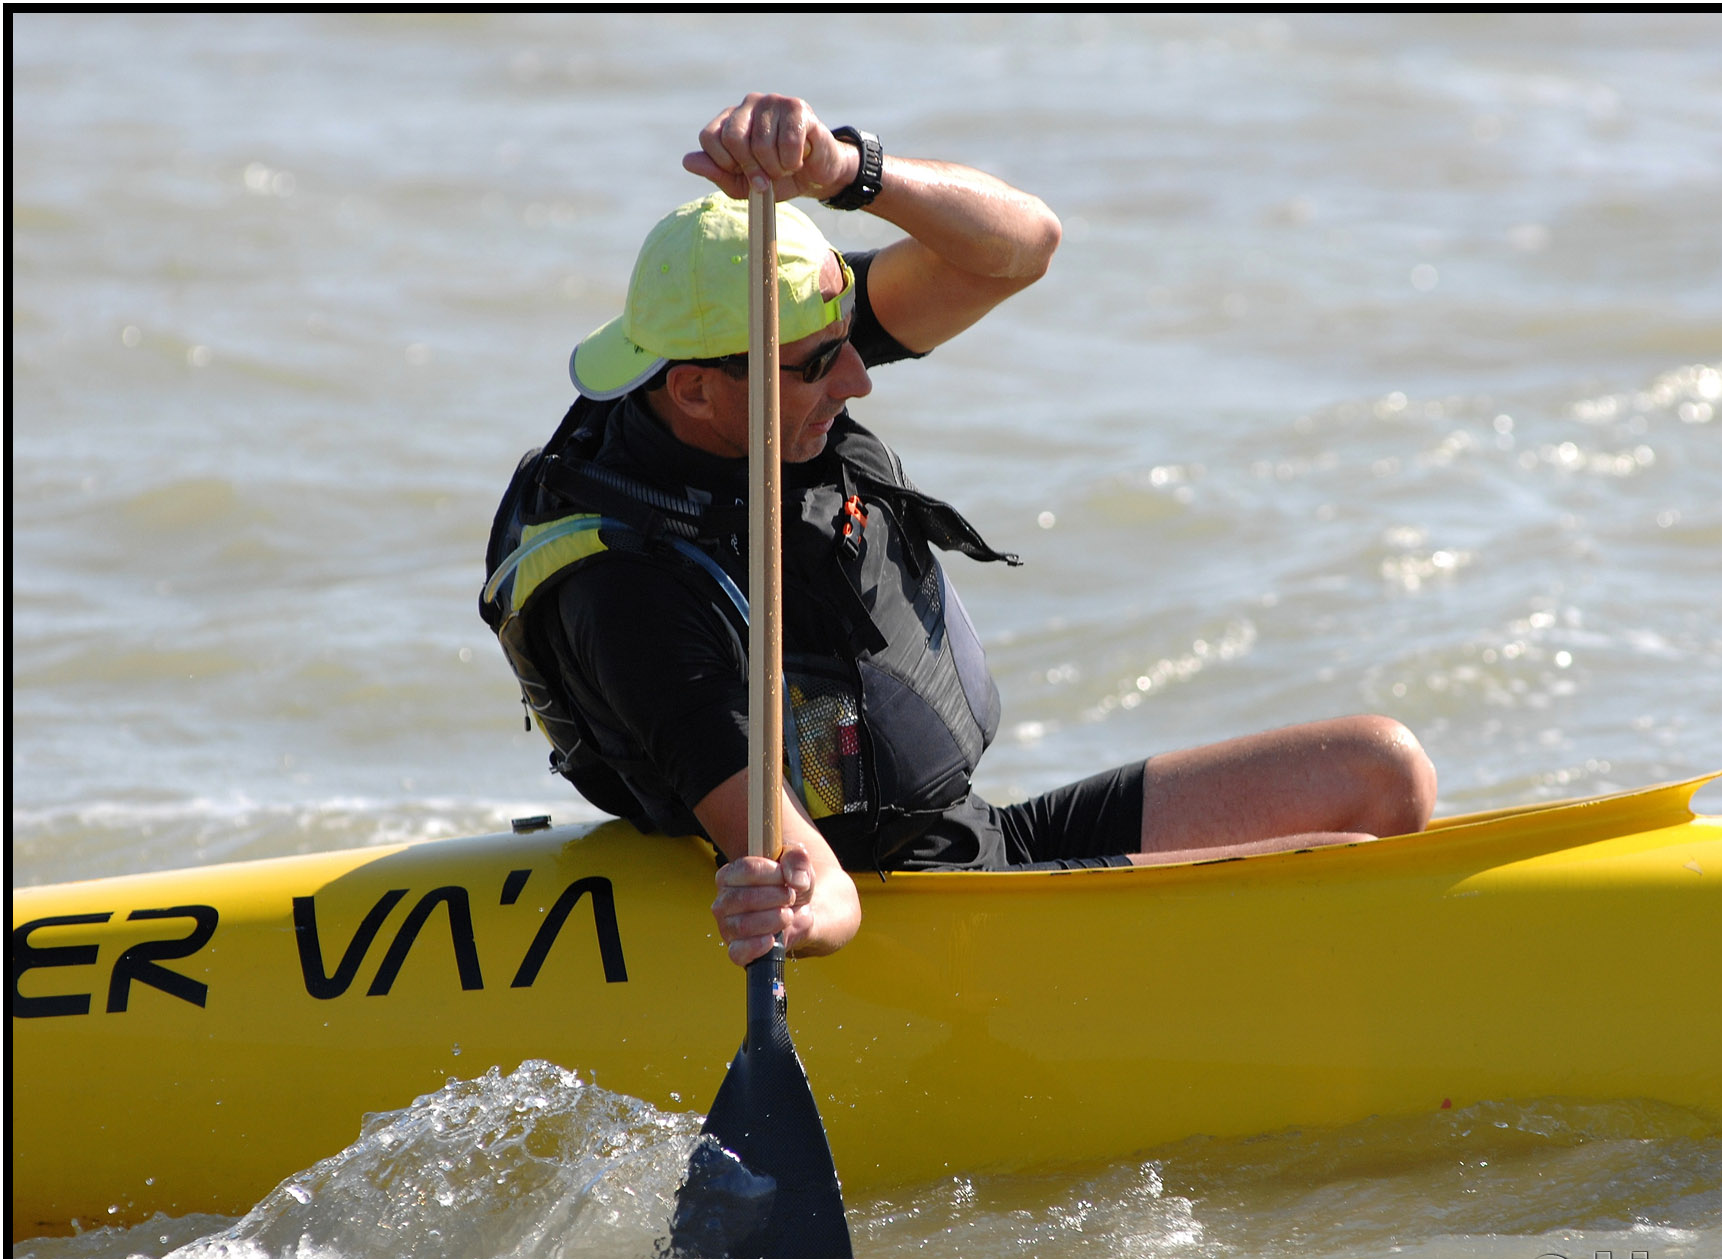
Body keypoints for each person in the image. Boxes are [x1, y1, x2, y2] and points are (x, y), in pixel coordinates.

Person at [482, 93, 1436, 970]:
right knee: (1347, 867)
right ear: (692, 388)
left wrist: (842, 170)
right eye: (822, 366)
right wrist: (807, 912)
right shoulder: (628, 593)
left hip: (976, 834)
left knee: (1381, 772)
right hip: (917, 903)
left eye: (845, 344)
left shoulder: (765, 359)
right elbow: (805, 867)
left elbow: (1021, 246)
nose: (856, 381)